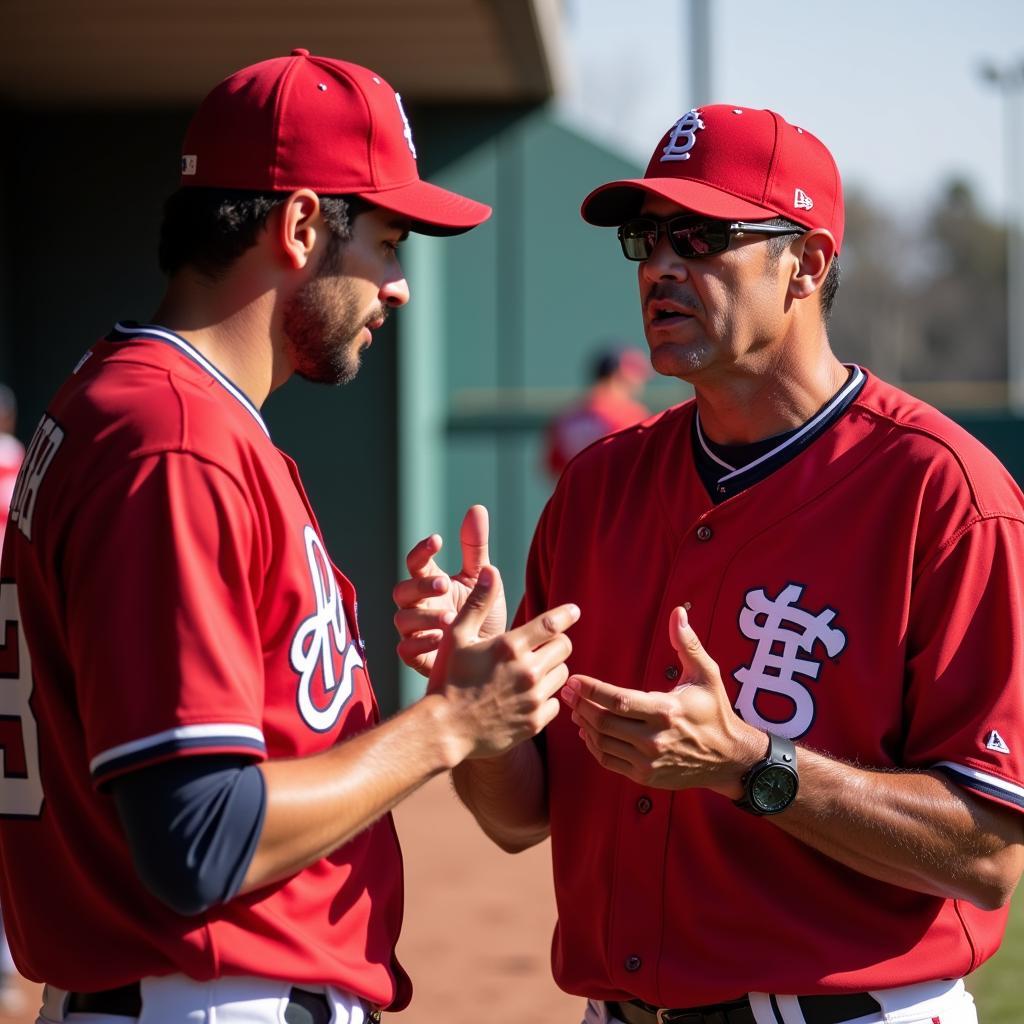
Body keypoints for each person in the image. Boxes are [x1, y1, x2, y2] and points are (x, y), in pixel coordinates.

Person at [394, 105, 1024, 1024]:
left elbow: (988, 853)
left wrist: (751, 766)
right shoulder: (599, 486)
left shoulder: (946, 494)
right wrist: (470, 693)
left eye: (703, 236)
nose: (660, 267)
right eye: (646, 239)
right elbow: (519, 813)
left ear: (806, 265)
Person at [0, 49, 579, 1024]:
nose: (398, 287)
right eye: (388, 243)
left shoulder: (149, 409)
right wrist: (451, 725)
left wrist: (448, 684)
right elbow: (200, 839)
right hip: (201, 994)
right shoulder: (174, 441)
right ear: (302, 224)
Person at [543, 345, 651, 478]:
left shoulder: (568, 416)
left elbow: (554, 467)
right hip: (617, 493)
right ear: (620, 374)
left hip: (578, 494)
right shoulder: (629, 413)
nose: (641, 381)